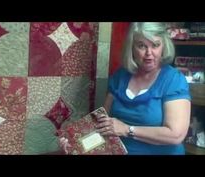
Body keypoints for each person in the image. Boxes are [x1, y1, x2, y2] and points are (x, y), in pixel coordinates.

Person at [60, 22, 191, 155]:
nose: (149, 53)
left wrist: (127, 129)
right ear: (132, 48)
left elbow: (176, 135)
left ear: (164, 46)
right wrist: (76, 145)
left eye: (155, 45)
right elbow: (103, 125)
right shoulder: (120, 76)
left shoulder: (174, 80)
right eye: (142, 46)